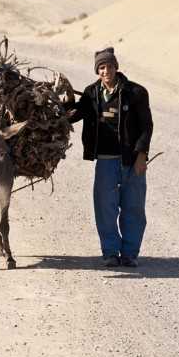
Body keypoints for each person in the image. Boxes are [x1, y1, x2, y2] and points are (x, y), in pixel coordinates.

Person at [64, 47, 153, 267]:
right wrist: (68, 98)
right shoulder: (91, 93)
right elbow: (71, 117)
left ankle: (130, 254)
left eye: (110, 66)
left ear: (116, 67)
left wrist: (141, 155)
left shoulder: (136, 92)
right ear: (97, 70)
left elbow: (146, 125)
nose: (106, 71)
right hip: (105, 161)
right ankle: (111, 252)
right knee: (105, 209)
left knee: (134, 208)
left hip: (132, 161)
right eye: (102, 67)